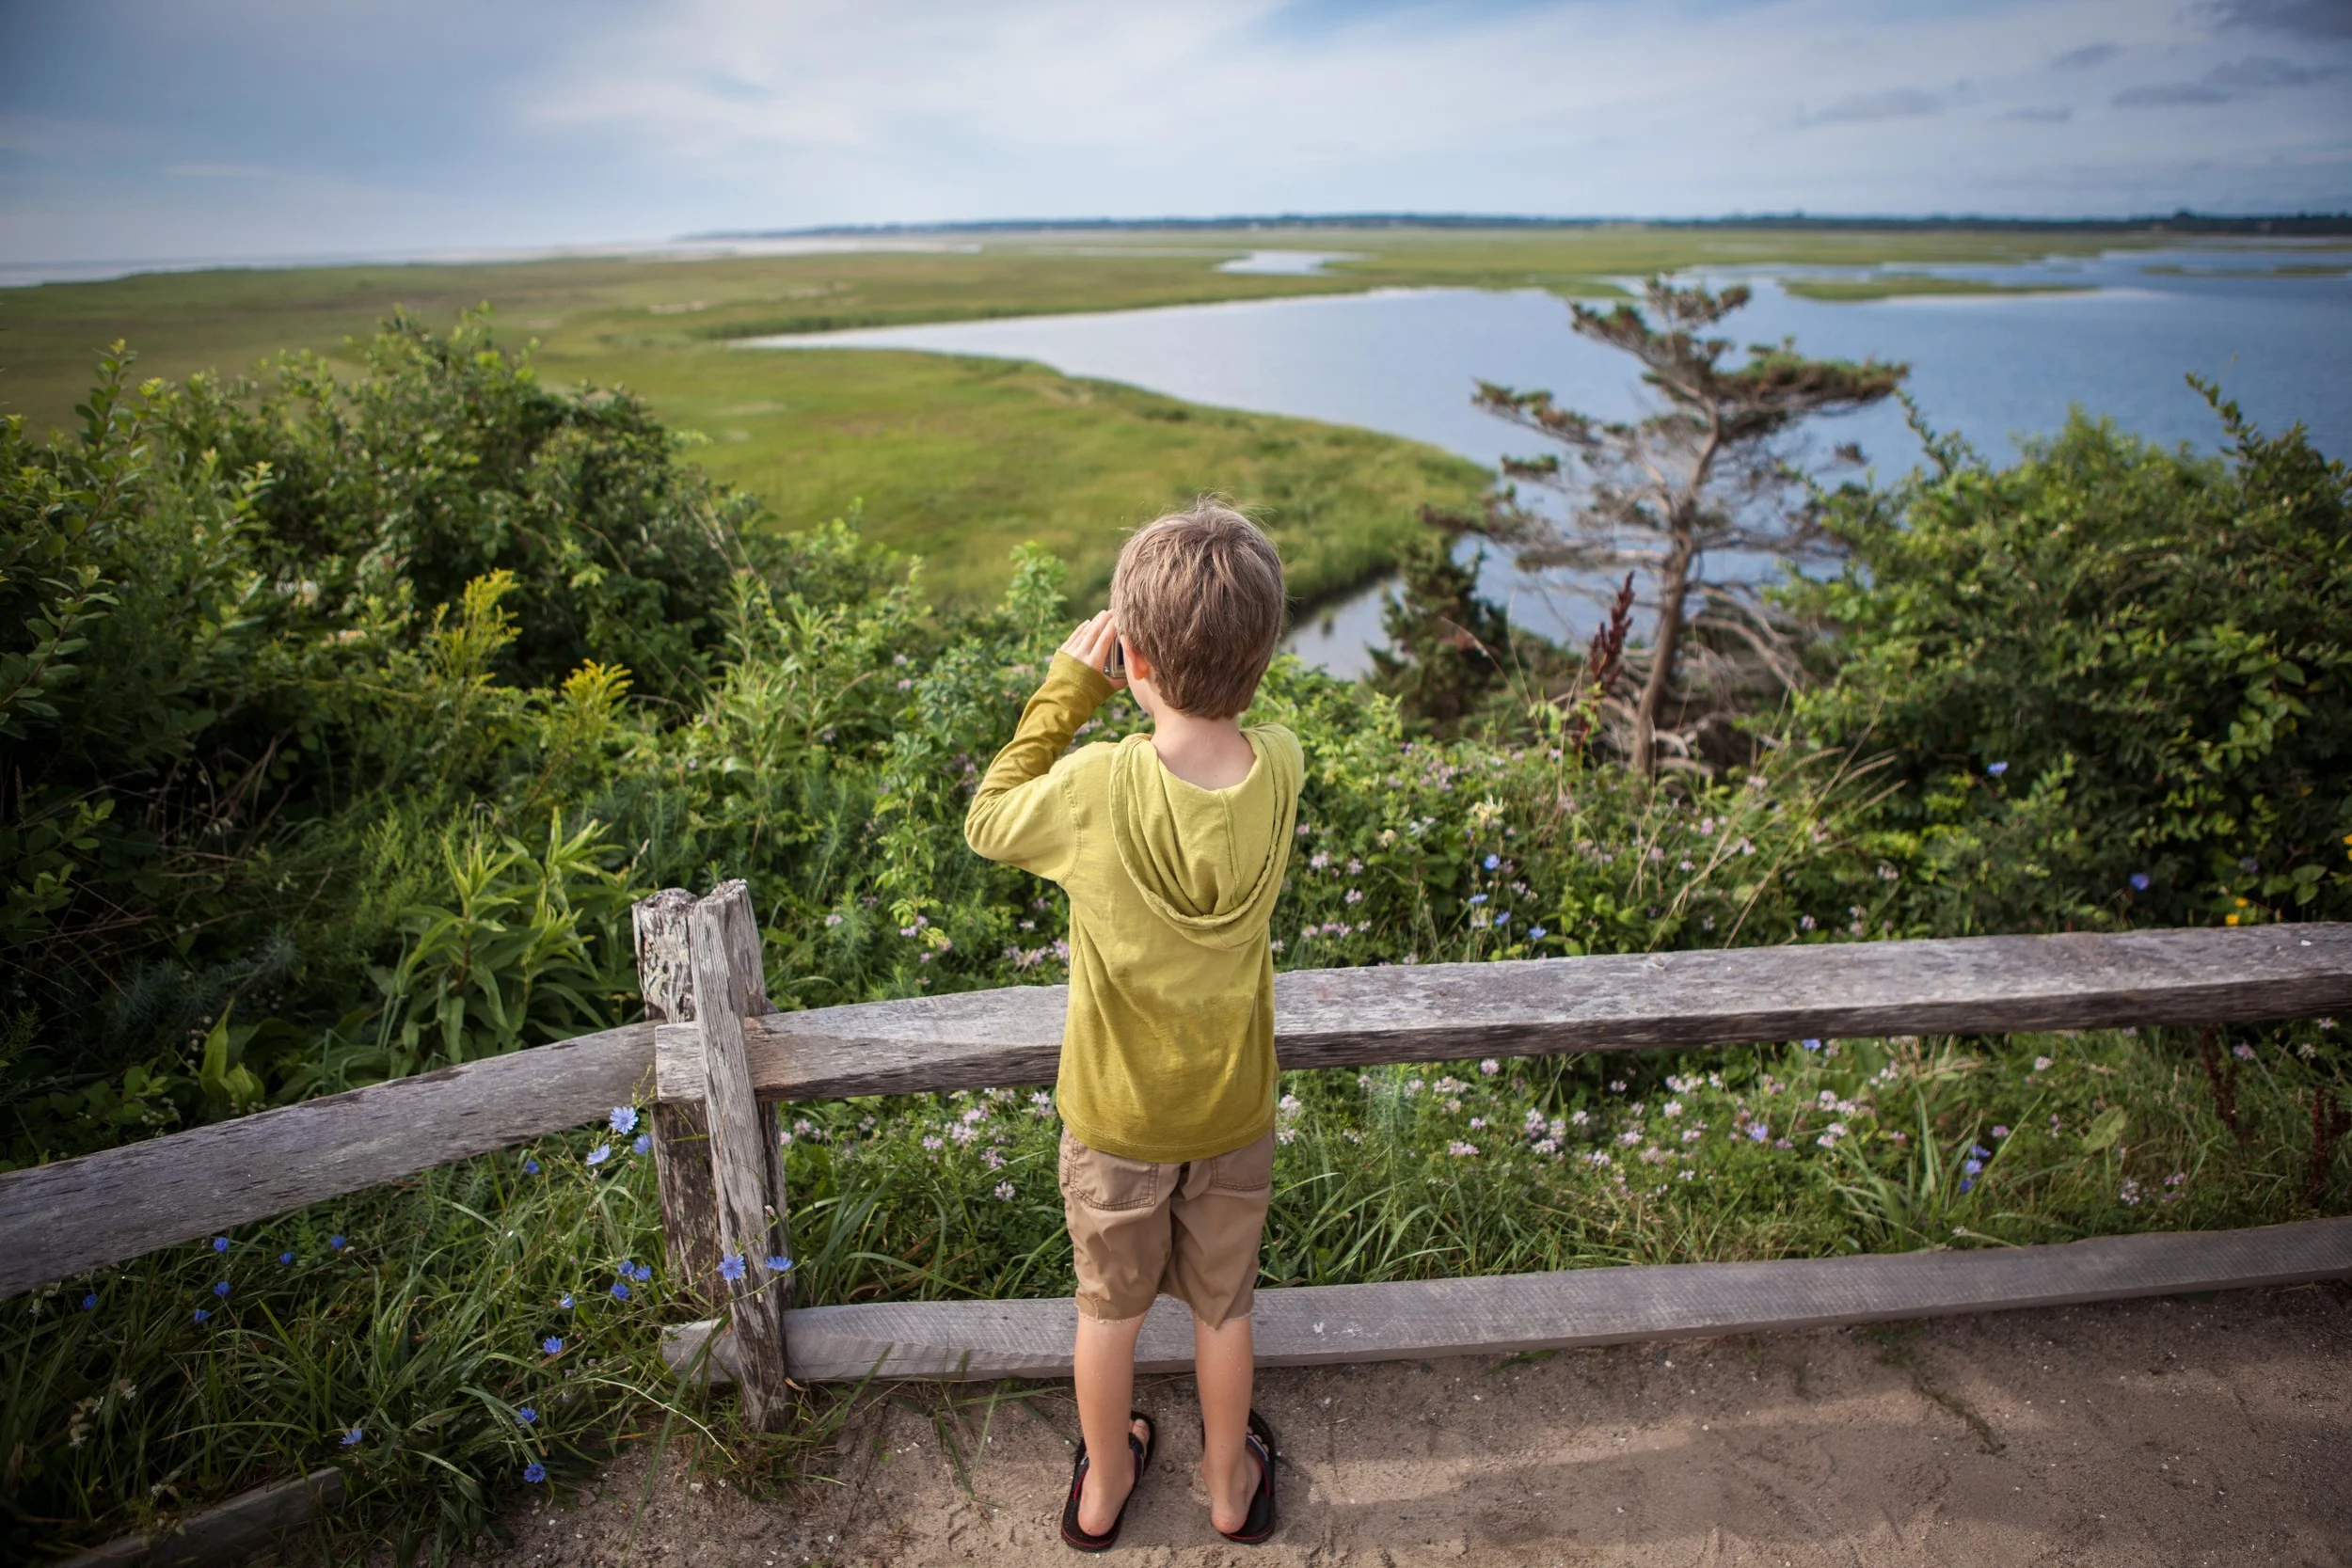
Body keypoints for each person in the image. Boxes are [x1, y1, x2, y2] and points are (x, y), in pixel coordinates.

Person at [964, 500, 1300, 1550]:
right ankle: (1227, 1481)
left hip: (1114, 1120)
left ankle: (1105, 1482)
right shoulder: (1282, 763)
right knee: (1223, 1308)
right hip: (1232, 1109)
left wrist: (1072, 686)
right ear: (1263, 655)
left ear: (1133, 657)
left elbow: (986, 817)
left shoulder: (1097, 784)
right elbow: (1226, 726)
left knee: (1107, 1312)